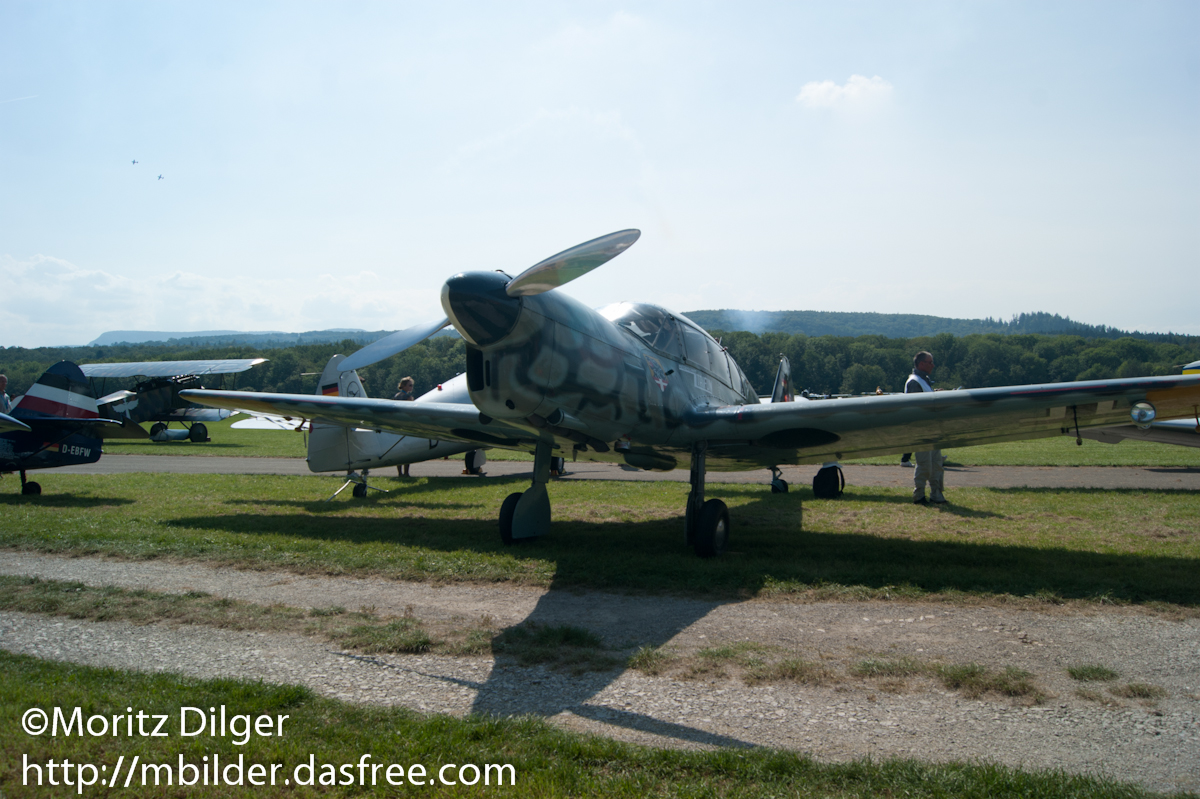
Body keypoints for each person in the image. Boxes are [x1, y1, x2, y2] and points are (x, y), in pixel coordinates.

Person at [906, 351, 946, 505]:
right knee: (924, 465)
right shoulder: (914, 382)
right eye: (930, 362)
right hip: (922, 431)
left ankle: (937, 494)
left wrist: (935, 394)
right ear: (921, 364)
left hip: (932, 429)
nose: (933, 365)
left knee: (936, 465)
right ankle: (919, 495)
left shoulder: (924, 380)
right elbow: (916, 407)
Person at [393, 377, 415, 476]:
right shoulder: (405, 397)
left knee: (400, 451)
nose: (411, 387)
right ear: (404, 386)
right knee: (407, 450)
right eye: (410, 385)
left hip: (398, 425)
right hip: (405, 425)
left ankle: (400, 473)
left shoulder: (397, 396)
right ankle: (406, 472)